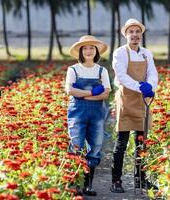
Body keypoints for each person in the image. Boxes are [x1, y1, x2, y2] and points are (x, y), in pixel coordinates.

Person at [110, 18, 158, 193]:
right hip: (126, 99)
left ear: (141, 35)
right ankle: (116, 180)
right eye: (131, 32)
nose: (135, 35)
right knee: (121, 142)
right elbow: (121, 76)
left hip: (143, 100)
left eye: (138, 32)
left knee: (141, 142)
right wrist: (140, 86)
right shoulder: (120, 53)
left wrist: (150, 86)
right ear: (126, 34)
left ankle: (141, 179)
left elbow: (153, 73)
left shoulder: (146, 53)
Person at [65, 35, 111, 196]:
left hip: (97, 113)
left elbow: (105, 94)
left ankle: (87, 186)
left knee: (96, 147)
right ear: (80, 51)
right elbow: (70, 90)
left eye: (92, 48)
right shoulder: (73, 69)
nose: (89, 50)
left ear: (96, 51)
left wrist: (82, 94)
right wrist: (92, 92)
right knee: (76, 144)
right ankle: (73, 184)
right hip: (77, 112)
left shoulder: (101, 70)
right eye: (85, 48)